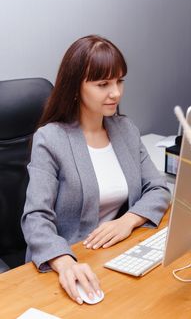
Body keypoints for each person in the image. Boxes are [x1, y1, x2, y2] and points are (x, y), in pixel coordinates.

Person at [21, 35, 170, 305]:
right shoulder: (51, 139)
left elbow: (158, 187)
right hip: (71, 262)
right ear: (76, 88)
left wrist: (128, 221)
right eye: (103, 84)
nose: (116, 93)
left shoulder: (125, 129)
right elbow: (35, 218)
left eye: (119, 81)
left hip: (117, 255)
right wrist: (65, 263)